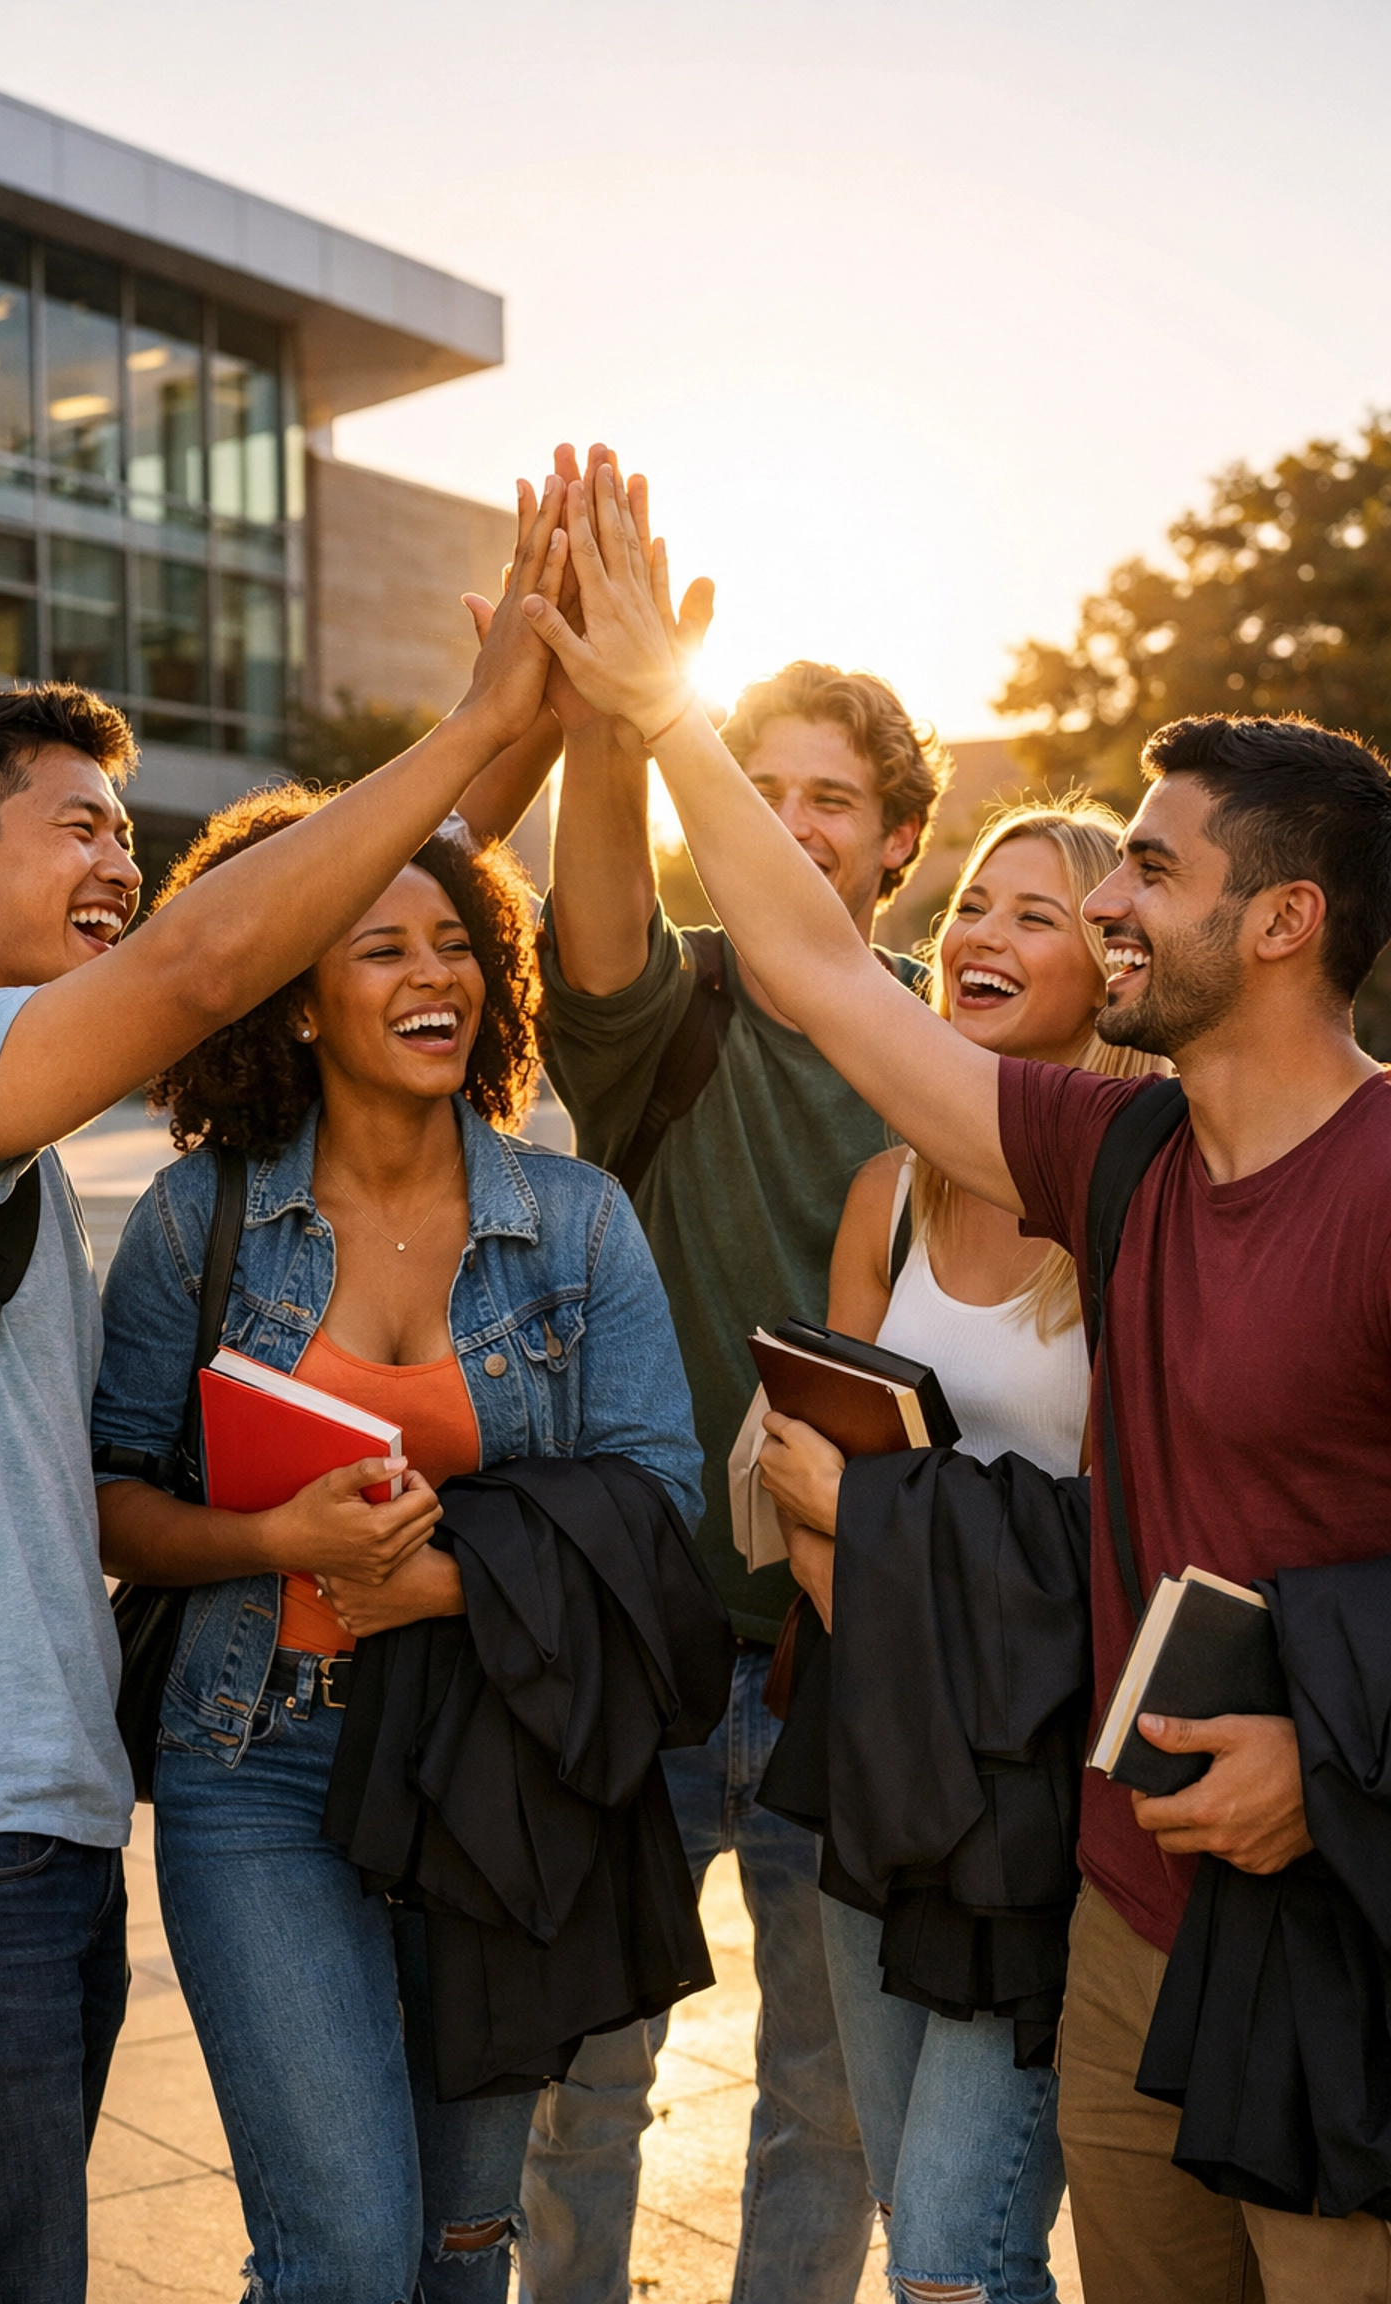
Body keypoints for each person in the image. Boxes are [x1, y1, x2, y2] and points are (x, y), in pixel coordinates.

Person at [521, 461, 1391, 2302]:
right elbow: (832, 979)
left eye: (1149, 871)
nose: (1108, 903)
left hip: (1342, 1928)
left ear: (1290, 921)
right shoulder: (1113, 1151)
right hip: (1119, 1913)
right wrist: (655, 714)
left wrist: (1336, 1755)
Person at [0, 473, 573, 2303]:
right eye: (82, 827)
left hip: (12, 1823)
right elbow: (211, 955)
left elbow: (322, 945)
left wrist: (521, 753)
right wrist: (477, 723)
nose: (123, 864)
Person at [90, 789, 705, 2304]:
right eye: (380, 949)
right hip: (261, 1771)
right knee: (346, 2255)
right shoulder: (197, 1223)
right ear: (298, 997)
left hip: (496, 1773)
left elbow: (660, 1493)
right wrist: (270, 1535)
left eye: (457, 944)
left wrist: (440, 1582)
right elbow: (102, 1500)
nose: (434, 977)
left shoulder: (575, 1225)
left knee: (457, 2245)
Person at [520, 452, 946, 2304]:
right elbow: (596, 900)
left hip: (853, 1663)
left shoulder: (949, 1044)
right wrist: (621, 718)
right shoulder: (665, 1007)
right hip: (649, 1643)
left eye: (830, 803)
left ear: (896, 847)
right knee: (582, 2083)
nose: (790, 825)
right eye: (757, 789)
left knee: (830, 2103)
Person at [757, 801, 1164, 2304]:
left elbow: (1127, 1535)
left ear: (1113, 968)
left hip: (1047, 1786)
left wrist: (882, 1559)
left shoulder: (1140, 1215)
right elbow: (811, 1478)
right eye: (974, 906)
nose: (980, 936)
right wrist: (867, 1565)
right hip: (877, 1755)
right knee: (907, 2199)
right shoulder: (889, 1193)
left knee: (952, 2253)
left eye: (1034, 915)